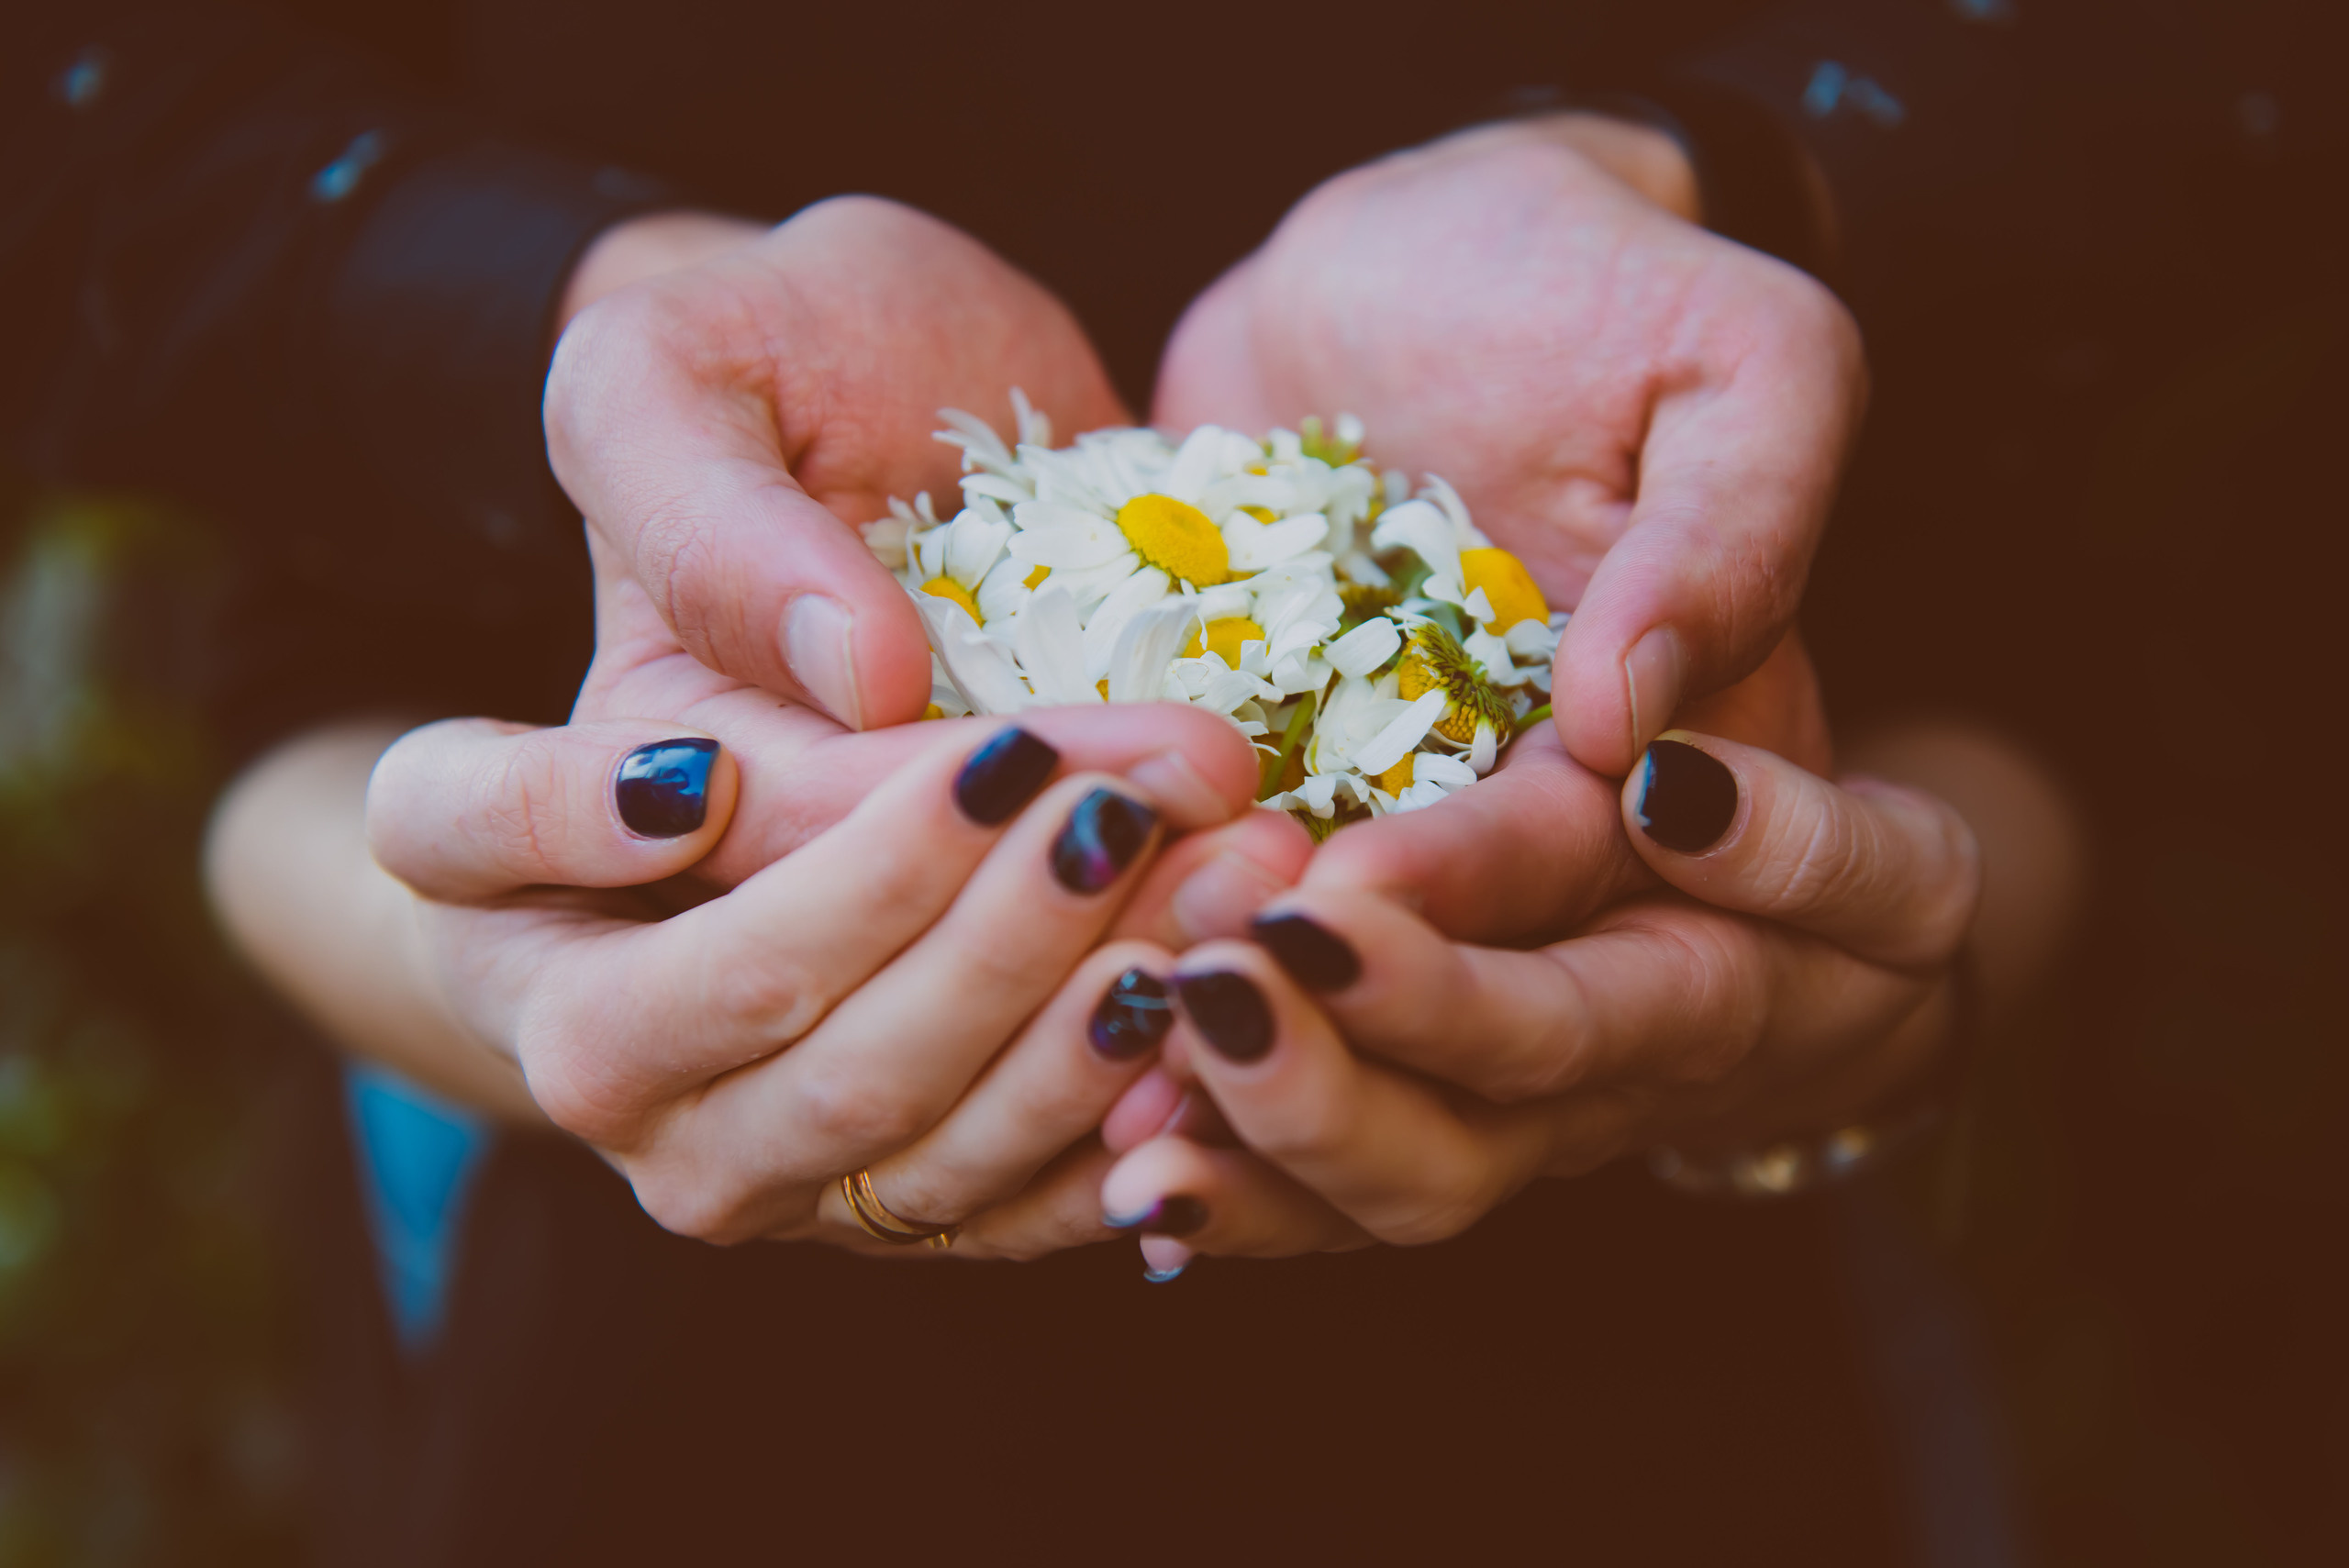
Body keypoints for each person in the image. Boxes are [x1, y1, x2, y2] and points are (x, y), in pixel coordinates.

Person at [10, 1, 2339, 1561]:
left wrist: (1736, 184)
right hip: (647, 1333)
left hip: (1681, 1339)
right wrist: (563, 315)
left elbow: (2169, 263)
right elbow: (106, 143)